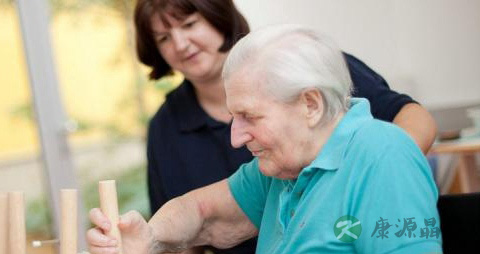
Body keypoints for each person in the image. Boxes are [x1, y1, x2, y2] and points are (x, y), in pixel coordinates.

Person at [87, 24, 442, 254]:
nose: (236, 138)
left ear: (310, 104)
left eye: (250, 117)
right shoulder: (280, 170)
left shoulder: (384, 156)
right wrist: (147, 237)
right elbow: (202, 212)